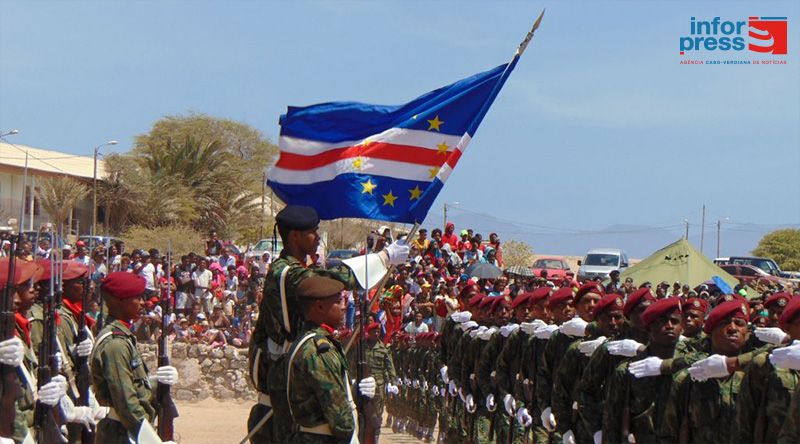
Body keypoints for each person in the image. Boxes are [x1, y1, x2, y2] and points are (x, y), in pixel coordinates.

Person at [247, 205, 408, 443]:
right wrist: (383, 258)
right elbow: (330, 280)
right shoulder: (287, 273)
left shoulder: (296, 270)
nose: (318, 236)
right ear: (294, 236)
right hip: (284, 404)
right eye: (312, 231)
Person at [284, 276, 377, 443]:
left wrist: (355, 392)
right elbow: (341, 422)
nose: (344, 306)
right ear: (319, 306)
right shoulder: (320, 351)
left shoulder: (307, 340)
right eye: (339, 301)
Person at [90, 272, 178, 444]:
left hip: (128, 430)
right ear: (118, 301)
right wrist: (152, 441)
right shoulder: (116, 344)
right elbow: (125, 402)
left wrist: (156, 382)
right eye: (136, 297)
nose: (143, 302)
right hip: (122, 433)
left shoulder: (123, 336)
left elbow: (133, 385)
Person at [364, 322, 398, 443]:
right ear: (369, 332)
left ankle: (376, 437)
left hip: (379, 386)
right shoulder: (362, 347)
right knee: (363, 411)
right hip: (364, 385)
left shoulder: (383, 349)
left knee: (377, 413)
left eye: (378, 332)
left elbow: (390, 367)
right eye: (374, 332)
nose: (376, 334)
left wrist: (393, 383)